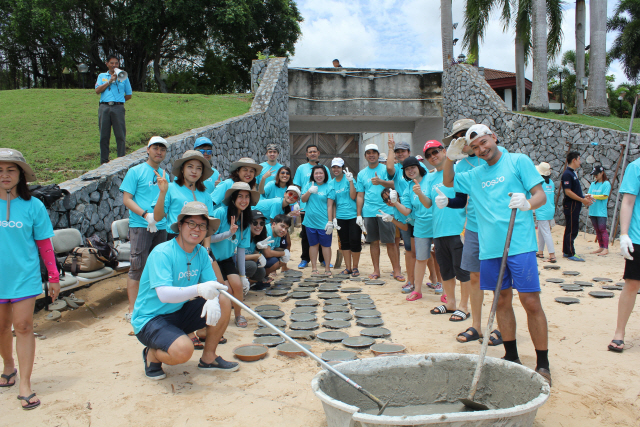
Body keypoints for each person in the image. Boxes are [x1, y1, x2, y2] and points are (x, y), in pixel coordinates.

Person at [443, 124, 552, 385]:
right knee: (501, 301)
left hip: (520, 245)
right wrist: (449, 157)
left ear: (493, 137)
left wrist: (527, 204)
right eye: (476, 147)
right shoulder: (474, 174)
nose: (482, 149)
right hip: (490, 249)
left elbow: (540, 195)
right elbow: (447, 181)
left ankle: (543, 364)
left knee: (531, 302)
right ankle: (511, 356)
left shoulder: (518, 161)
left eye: (484, 142)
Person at [131, 202, 239, 379]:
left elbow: (213, 285)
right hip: (150, 319)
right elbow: (164, 294)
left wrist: (212, 299)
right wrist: (199, 289)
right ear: (180, 226)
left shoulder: (202, 253)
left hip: (178, 312)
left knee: (223, 300)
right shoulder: (162, 253)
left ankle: (208, 358)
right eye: (192, 223)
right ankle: (152, 354)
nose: (197, 229)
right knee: (184, 350)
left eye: (202, 225)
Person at [0, 149, 58, 410]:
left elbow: (44, 242)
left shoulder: (33, 205)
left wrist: (54, 276)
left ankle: (25, 383)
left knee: (22, 326)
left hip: (24, 276)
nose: (4, 175)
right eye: (0, 170)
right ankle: (8, 367)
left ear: (21, 174)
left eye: (10, 169)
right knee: (1, 327)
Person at [119, 136, 169, 321]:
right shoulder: (135, 171)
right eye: (155, 148)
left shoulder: (164, 174)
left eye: (162, 149)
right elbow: (127, 199)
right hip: (141, 225)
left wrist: (160, 217)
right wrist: (145, 215)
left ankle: (153, 306)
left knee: (158, 266)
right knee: (137, 267)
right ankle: (132, 310)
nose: (159, 152)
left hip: (161, 225)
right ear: (147, 149)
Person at [389, 157, 441, 303]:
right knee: (421, 258)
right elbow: (406, 211)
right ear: (404, 173)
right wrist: (395, 203)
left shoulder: (431, 178)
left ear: (419, 167)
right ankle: (417, 290)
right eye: (407, 169)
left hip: (438, 223)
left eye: (413, 167)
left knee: (440, 256)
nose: (410, 171)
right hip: (421, 226)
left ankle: (442, 287)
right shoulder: (407, 189)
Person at [210, 182, 258, 328]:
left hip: (227, 258)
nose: (244, 201)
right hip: (212, 259)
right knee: (227, 290)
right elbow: (207, 238)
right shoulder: (220, 213)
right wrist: (228, 233)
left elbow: (242, 249)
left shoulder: (245, 219)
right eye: (240, 197)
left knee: (238, 285)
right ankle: (222, 321)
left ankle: (238, 315)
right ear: (233, 198)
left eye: (247, 197)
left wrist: (243, 276)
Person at [386, 135, 427, 292]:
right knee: (410, 250)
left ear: (409, 152)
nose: (400, 154)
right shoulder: (398, 170)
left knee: (427, 250)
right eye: (397, 152)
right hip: (405, 216)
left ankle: (434, 280)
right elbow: (389, 168)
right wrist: (390, 148)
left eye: (403, 151)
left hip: (423, 216)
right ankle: (411, 280)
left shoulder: (422, 173)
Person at [356, 143, 402, 280]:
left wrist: (381, 182)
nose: (371, 155)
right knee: (373, 242)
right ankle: (376, 270)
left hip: (387, 210)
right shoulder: (361, 174)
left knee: (391, 242)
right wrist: (359, 214)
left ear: (378, 154)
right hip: (369, 211)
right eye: (368, 152)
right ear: (365, 156)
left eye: (374, 152)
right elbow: (360, 195)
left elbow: (396, 184)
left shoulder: (386, 170)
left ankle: (397, 271)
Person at [609, 157, 640, 352]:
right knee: (632, 283)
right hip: (638, 237)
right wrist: (624, 234)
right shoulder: (636, 166)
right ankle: (619, 333)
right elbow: (628, 202)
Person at [152, 151, 215, 242]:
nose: (194, 171)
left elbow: (207, 224)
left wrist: (207, 249)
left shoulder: (206, 195)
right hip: (175, 239)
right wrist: (162, 192)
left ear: (202, 172)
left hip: (198, 240)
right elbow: (157, 217)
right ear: (182, 169)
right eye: (190, 166)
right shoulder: (170, 188)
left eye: (198, 168)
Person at [293, 145, 330, 268]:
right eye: (310, 152)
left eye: (315, 151)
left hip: (321, 207)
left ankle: (323, 259)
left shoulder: (324, 168)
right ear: (306, 154)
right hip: (305, 206)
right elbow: (297, 186)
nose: (313, 153)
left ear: (319, 153)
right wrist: (296, 203)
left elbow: (329, 185)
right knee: (306, 235)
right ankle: (305, 259)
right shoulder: (301, 168)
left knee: (323, 234)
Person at [95, 54, 133, 164]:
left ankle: (121, 160)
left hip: (118, 107)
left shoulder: (123, 77)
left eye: (116, 63)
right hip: (104, 107)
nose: (114, 65)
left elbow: (129, 95)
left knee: (120, 135)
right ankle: (104, 161)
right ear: (107, 64)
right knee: (104, 136)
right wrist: (109, 81)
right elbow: (97, 91)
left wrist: (119, 102)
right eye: (111, 63)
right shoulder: (102, 76)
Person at [327, 158, 360, 276]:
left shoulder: (349, 179)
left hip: (353, 215)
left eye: (338, 167)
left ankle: (355, 267)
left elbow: (353, 196)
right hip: (340, 217)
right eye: (334, 167)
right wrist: (333, 219)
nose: (336, 169)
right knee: (344, 242)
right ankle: (348, 267)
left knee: (355, 240)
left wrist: (351, 181)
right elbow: (333, 203)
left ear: (342, 168)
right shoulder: (331, 183)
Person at [301, 165, 333, 275]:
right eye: (316, 173)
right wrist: (309, 191)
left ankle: (327, 268)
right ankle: (314, 268)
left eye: (321, 173)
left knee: (326, 245)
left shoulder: (329, 186)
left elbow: (330, 206)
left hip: (324, 222)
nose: (318, 175)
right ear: (313, 175)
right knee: (313, 245)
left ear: (325, 174)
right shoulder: (309, 185)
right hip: (310, 221)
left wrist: (330, 221)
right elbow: (303, 199)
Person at [561, 151, 593, 261]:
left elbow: (575, 190)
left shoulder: (573, 173)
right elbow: (568, 192)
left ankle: (566, 250)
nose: (580, 162)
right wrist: (582, 200)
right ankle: (570, 252)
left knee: (572, 227)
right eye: (579, 159)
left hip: (576, 204)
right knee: (572, 228)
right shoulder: (567, 174)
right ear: (574, 160)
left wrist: (584, 196)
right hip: (571, 205)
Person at [535, 162, 557, 263]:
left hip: (542, 210)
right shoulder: (550, 182)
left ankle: (552, 255)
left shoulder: (539, 183)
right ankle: (540, 251)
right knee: (541, 231)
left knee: (546, 232)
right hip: (550, 209)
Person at [587, 165, 611, 256]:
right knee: (597, 229)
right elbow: (589, 194)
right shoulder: (593, 184)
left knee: (602, 229)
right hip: (593, 210)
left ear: (602, 173)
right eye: (594, 174)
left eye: (597, 174)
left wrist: (593, 196)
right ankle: (601, 246)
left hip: (601, 211)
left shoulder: (606, 184)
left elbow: (605, 196)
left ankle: (606, 248)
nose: (595, 176)